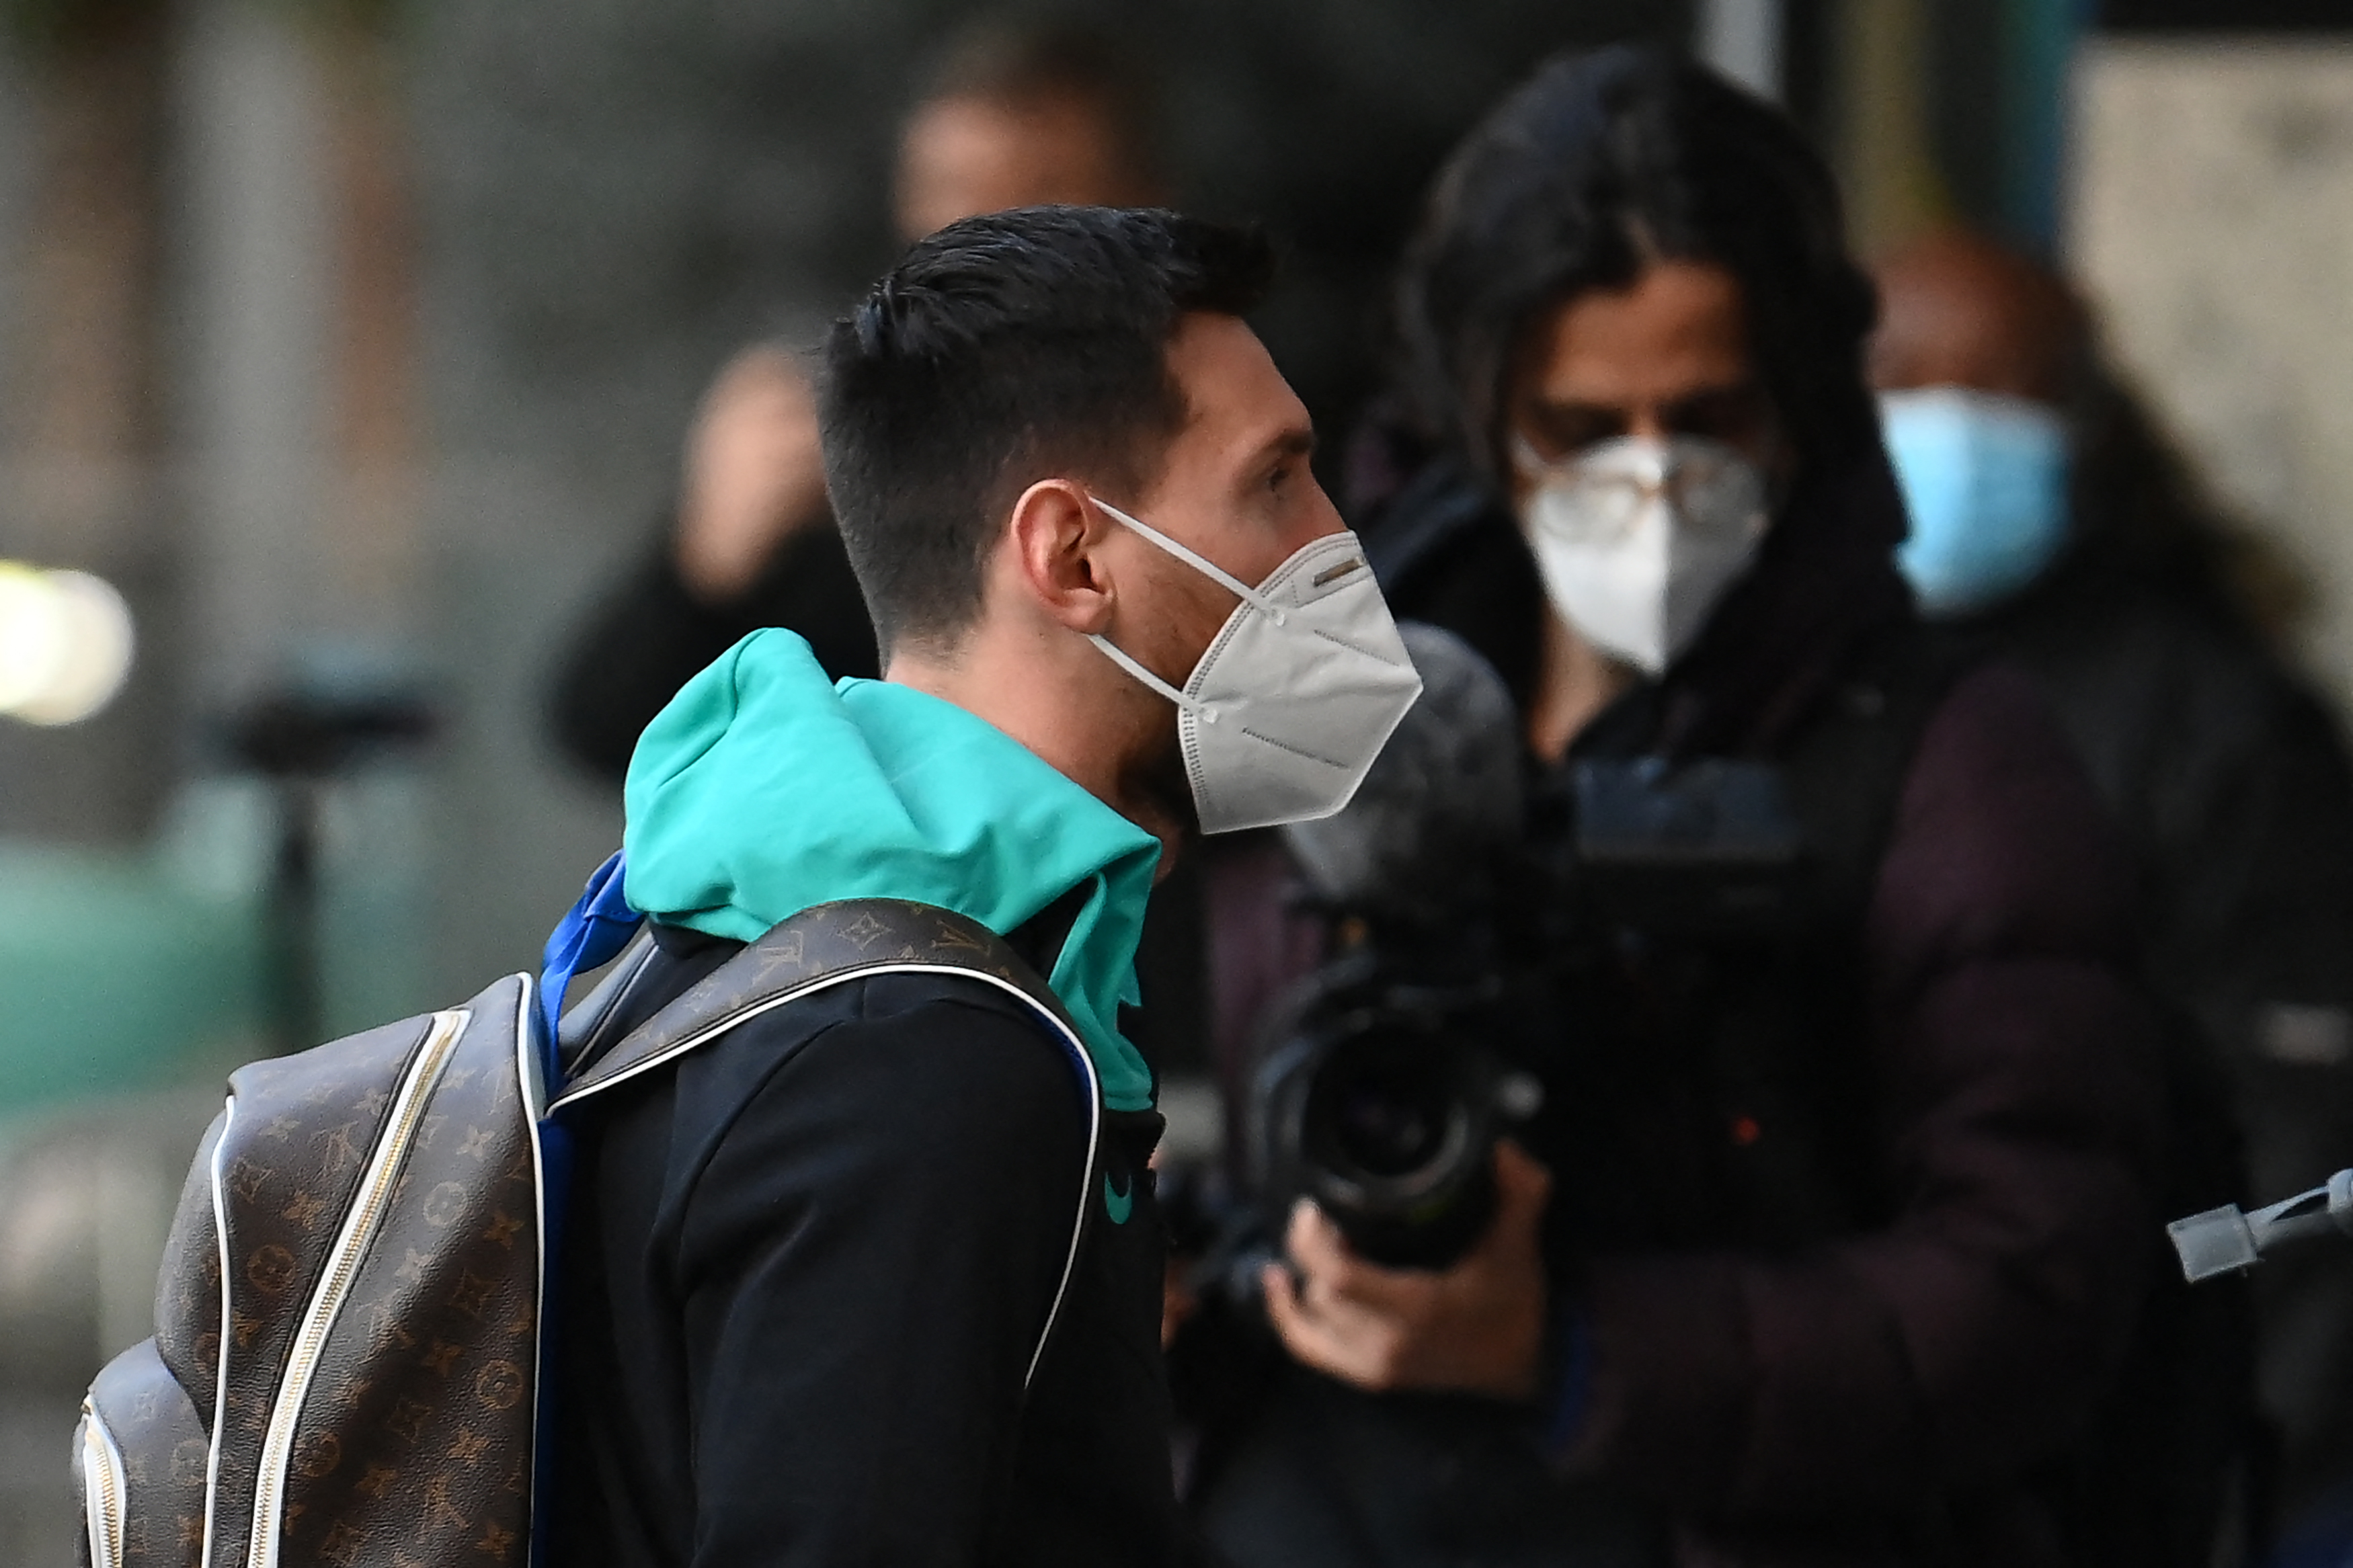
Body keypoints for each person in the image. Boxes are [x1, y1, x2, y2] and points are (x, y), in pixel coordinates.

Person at [1183, 47, 2166, 1568]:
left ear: (1797, 405)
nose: (1651, 484)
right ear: (1479, 411)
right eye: (1584, 427)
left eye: (1707, 417)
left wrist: (1574, 1346)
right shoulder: (1329, 704)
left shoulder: (1946, 761)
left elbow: (2038, 1282)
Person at [548, 204, 1423, 1567]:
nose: (1333, 541)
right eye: (1275, 482)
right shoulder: (911, 1056)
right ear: (1071, 555)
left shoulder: (820, 939)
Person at [1871, 229, 2353, 1524]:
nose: (1950, 429)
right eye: (1901, 385)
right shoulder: (1763, 683)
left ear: (2083, 429)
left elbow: (2295, 1148)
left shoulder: (2209, 729)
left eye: (2002, 393)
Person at [546, 19, 1164, 782]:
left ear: (1138, 206)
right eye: (952, 193)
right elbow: (606, 729)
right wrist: (703, 560)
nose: (980, 238)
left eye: (1035, 196)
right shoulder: (851, 423)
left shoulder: (1211, 420)